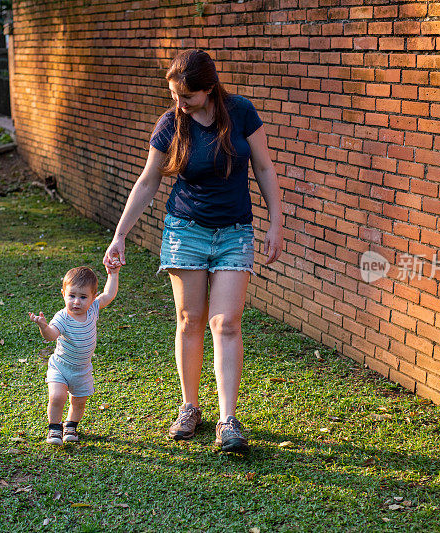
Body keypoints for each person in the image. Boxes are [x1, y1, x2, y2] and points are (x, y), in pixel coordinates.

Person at [103, 49, 282, 453]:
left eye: (187, 97)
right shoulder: (171, 124)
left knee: (227, 322)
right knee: (190, 319)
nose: (178, 104)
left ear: (209, 88)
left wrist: (276, 222)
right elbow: (148, 182)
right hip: (186, 231)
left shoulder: (241, 113)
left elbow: (265, 168)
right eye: (174, 96)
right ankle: (189, 407)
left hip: (235, 232)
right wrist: (120, 235)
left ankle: (228, 420)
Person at [28, 264, 120, 445]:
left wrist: (114, 274)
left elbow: (109, 294)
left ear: (93, 297)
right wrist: (43, 326)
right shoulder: (62, 317)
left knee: (79, 402)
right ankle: (54, 428)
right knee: (57, 397)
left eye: (83, 297)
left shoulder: (93, 309)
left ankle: (71, 425)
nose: (76, 302)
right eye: (72, 296)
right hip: (60, 367)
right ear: (63, 293)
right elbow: (51, 336)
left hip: (82, 370)